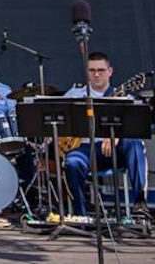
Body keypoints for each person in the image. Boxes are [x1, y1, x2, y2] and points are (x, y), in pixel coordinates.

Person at [63, 52, 147, 216]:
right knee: (72, 162)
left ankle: (140, 202)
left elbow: (134, 126)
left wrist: (116, 135)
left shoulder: (124, 97)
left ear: (110, 72)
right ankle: (82, 214)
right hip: (86, 149)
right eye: (92, 70)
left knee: (134, 141)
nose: (96, 74)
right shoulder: (74, 95)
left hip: (115, 152)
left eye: (101, 70)